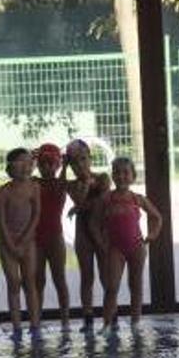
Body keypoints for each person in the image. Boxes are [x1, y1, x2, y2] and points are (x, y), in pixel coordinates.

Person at [91, 157, 162, 334]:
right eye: (117, 173)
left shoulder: (137, 199)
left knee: (136, 285)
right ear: (112, 175)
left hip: (136, 247)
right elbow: (93, 223)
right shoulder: (106, 199)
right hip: (115, 249)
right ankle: (107, 324)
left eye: (125, 173)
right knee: (112, 286)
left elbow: (157, 217)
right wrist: (101, 242)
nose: (121, 176)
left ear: (133, 176)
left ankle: (135, 321)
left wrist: (152, 235)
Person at [0, 148, 42, 341]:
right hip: (8, 242)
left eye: (28, 162)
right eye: (20, 162)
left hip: (27, 241)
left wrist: (24, 239)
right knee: (13, 283)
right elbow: (1, 220)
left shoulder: (34, 187)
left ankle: (35, 325)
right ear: (10, 166)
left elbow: (36, 216)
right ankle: (16, 327)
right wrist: (10, 242)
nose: (25, 166)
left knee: (30, 283)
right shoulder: (4, 190)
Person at [66, 139, 111, 332]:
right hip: (83, 235)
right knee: (87, 277)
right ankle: (88, 317)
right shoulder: (72, 185)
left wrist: (78, 208)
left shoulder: (103, 178)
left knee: (106, 275)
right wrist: (82, 190)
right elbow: (80, 198)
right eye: (74, 162)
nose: (80, 165)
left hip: (101, 233)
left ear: (90, 159)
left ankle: (112, 315)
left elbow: (103, 199)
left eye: (83, 159)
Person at [32, 143, 72, 331]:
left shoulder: (60, 184)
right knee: (37, 280)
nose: (46, 167)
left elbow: (60, 188)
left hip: (55, 237)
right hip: (36, 238)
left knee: (59, 279)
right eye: (42, 164)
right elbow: (20, 176)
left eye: (50, 164)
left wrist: (65, 167)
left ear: (56, 165)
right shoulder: (33, 182)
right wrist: (31, 161)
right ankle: (36, 319)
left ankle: (65, 320)